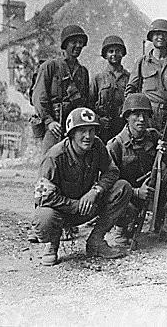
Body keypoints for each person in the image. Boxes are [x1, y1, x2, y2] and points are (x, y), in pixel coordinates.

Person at [32, 107, 132, 266]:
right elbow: (43, 197)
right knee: (44, 217)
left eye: (92, 130)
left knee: (123, 188)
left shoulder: (97, 146)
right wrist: (76, 205)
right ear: (71, 134)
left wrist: (95, 191)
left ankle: (96, 241)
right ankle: (51, 245)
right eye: (82, 131)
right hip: (62, 211)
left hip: (89, 205)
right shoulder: (54, 157)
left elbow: (112, 171)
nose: (88, 136)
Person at [107, 93, 167, 245]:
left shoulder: (154, 136)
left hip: (154, 190)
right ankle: (119, 230)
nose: (141, 119)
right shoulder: (116, 145)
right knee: (126, 212)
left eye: (145, 115)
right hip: (129, 197)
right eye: (136, 115)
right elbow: (106, 182)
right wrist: (135, 192)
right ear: (127, 116)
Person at [125, 19, 167, 142]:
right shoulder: (142, 63)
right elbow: (130, 90)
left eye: (164, 34)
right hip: (147, 116)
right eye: (157, 34)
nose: (160, 37)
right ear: (151, 37)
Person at [32, 25, 91, 154]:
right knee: (50, 162)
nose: (78, 46)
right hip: (55, 125)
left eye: (81, 42)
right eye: (73, 42)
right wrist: (49, 122)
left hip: (75, 127)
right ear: (65, 44)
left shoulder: (83, 72)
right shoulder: (50, 66)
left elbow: (85, 102)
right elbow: (39, 97)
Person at [91, 35, 130, 143]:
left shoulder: (130, 78)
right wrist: (98, 120)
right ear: (105, 55)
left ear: (122, 54)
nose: (114, 54)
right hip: (103, 128)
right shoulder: (98, 78)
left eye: (118, 51)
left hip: (123, 128)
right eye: (110, 51)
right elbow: (89, 104)